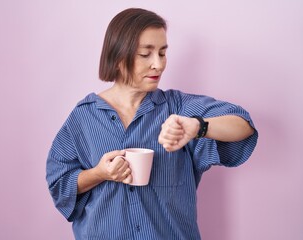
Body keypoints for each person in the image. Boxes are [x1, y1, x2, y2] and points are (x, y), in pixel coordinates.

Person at [46, 8, 258, 240]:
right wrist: (99, 173)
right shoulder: (83, 118)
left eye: (162, 53)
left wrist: (197, 126)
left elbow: (243, 125)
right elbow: (60, 184)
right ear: (118, 56)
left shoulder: (177, 108)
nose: (158, 64)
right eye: (145, 54)